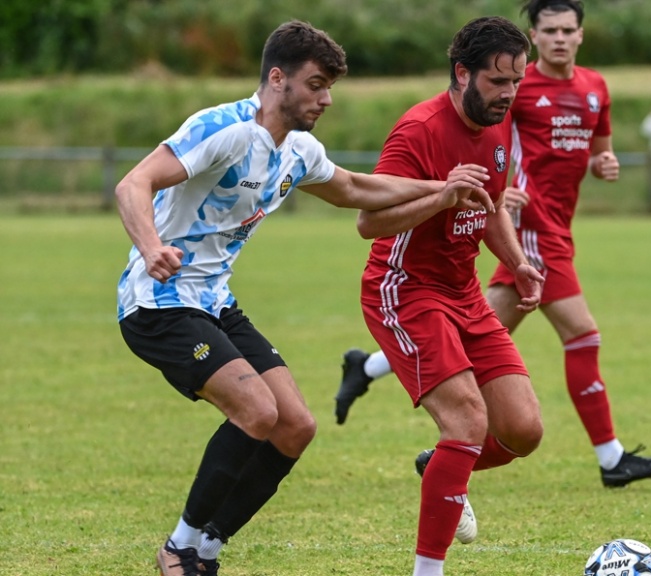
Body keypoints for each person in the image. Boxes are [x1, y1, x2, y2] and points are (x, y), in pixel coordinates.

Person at [116, 20, 492, 576]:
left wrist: (443, 190)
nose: (327, 98)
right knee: (257, 410)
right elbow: (133, 183)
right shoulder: (223, 129)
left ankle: (207, 553)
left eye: (329, 87)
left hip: (214, 302)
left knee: (295, 425)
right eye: (316, 85)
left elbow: (355, 189)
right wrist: (150, 247)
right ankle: (178, 547)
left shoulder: (299, 151)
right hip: (159, 302)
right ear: (277, 79)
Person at [336, 0, 651, 492]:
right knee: (580, 335)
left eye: (569, 29)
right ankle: (610, 457)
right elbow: (385, 211)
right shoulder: (484, 99)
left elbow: (594, 151)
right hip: (524, 229)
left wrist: (603, 165)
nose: (560, 38)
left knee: (492, 359)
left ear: (582, 35)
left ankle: (369, 370)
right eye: (550, 29)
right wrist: (490, 199)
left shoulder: (593, 87)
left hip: (540, 234)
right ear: (534, 37)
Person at [350, 16, 543, 576]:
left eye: (516, 82)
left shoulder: (499, 126)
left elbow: (490, 208)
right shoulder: (418, 130)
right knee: (466, 422)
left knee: (523, 431)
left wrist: (519, 263)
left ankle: (442, 467)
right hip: (404, 289)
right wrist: (441, 195)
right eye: (498, 81)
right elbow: (368, 222)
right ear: (462, 74)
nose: (509, 94)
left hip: (465, 293)